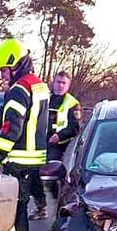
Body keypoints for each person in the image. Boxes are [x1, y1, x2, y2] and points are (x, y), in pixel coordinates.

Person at [0, 38, 50, 231]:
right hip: (36, 158)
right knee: (21, 207)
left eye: (4, 70)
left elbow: (11, 129)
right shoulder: (39, 86)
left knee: (14, 211)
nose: (3, 75)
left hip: (19, 160)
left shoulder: (18, 90)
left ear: (16, 65)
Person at [29, 71, 81, 220]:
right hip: (40, 143)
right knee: (34, 174)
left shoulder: (72, 103)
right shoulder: (45, 98)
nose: (60, 86)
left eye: (63, 83)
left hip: (61, 147)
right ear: (53, 82)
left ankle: (62, 208)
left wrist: (60, 136)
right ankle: (41, 207)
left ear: (68, 85)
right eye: (58, 82)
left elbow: (75, 127)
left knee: (57, 178)